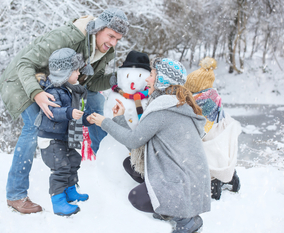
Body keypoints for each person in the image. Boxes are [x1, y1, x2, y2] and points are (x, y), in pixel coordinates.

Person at [0, 8, 129, 214]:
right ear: (98, 29)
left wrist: (118, 79)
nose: (113, 43)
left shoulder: (106, 50)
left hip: (58, 86)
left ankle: (107, 166)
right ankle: (16, 195)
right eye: (110, 36)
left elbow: (92, 83)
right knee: (35, 126)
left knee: (94, 99)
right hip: (24, 82)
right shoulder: (68, 37)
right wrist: (37, 94)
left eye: (117, 39)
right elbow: (25, 64)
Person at [90, 58, 211, 233]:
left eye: (152, 75)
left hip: (182, 183)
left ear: (162, 79)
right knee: (129, 164)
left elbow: (134, 140)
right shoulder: (176, 105)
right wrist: (119, 118)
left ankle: (186, 219)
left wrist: (105, 122)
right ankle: (170, 207)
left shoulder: (164, 109)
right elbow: (140, 140)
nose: (147, 79)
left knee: (136, 198)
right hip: (190, 181)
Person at [35, 48, 92, 216]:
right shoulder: (52, 91)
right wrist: (69, 113)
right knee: (61, 167)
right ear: (64, 73)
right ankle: (58, 200)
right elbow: (53, 112)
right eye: (75, 70)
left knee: (74, 160)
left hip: (64, 137)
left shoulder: (71, 90)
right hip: (51, 139)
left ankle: (70, 190)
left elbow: (76, 111)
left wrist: (88, 118)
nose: (78, 72)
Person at [184, 57, 241, 200]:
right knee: (218, 158)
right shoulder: (213, 96)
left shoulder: (201, 103)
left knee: (208, 159)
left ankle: (214, 182)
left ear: (197, 88)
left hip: (209, 136)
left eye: (190, 89)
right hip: (219, 134)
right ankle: (229, 178)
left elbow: (199, 127)